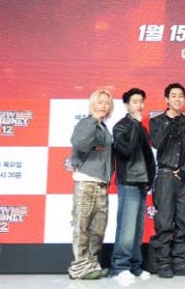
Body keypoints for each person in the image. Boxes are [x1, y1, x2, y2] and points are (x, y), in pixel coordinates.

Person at [149, 83, 185, 278]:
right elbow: (156, 143)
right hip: (165, 176)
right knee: (164, 221)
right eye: (173, 95)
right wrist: (170, 121)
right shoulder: (157, 121)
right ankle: (163, 264)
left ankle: (180, 263)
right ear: (167, 99)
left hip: (183, 177)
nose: (177, 99)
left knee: (184, 220)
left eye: (180, 96)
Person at [110, 88, 156, 283]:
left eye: (141, 101)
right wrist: (136, 124)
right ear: (126, 105)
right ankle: (120, 267)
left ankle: (135, 266)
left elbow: (148, 157)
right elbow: (126, 150)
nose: (139, 105)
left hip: (141, 183)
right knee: (127, 228)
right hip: (128, 182)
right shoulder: (120, 127)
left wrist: (150, 180)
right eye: (134, 101)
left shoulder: (142, 128)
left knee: (137, 229)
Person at [68, 88, 114, 280]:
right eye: (100, 102)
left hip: (101, 184)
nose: (103, 106)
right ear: (93, 104)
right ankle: (79, 268)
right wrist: (93, 120)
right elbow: (79, 142)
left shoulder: (103, 127)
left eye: (106, 103)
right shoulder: (86, 123)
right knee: (82, 227)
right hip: (86, 182)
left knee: (98, 229)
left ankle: (91, 264)